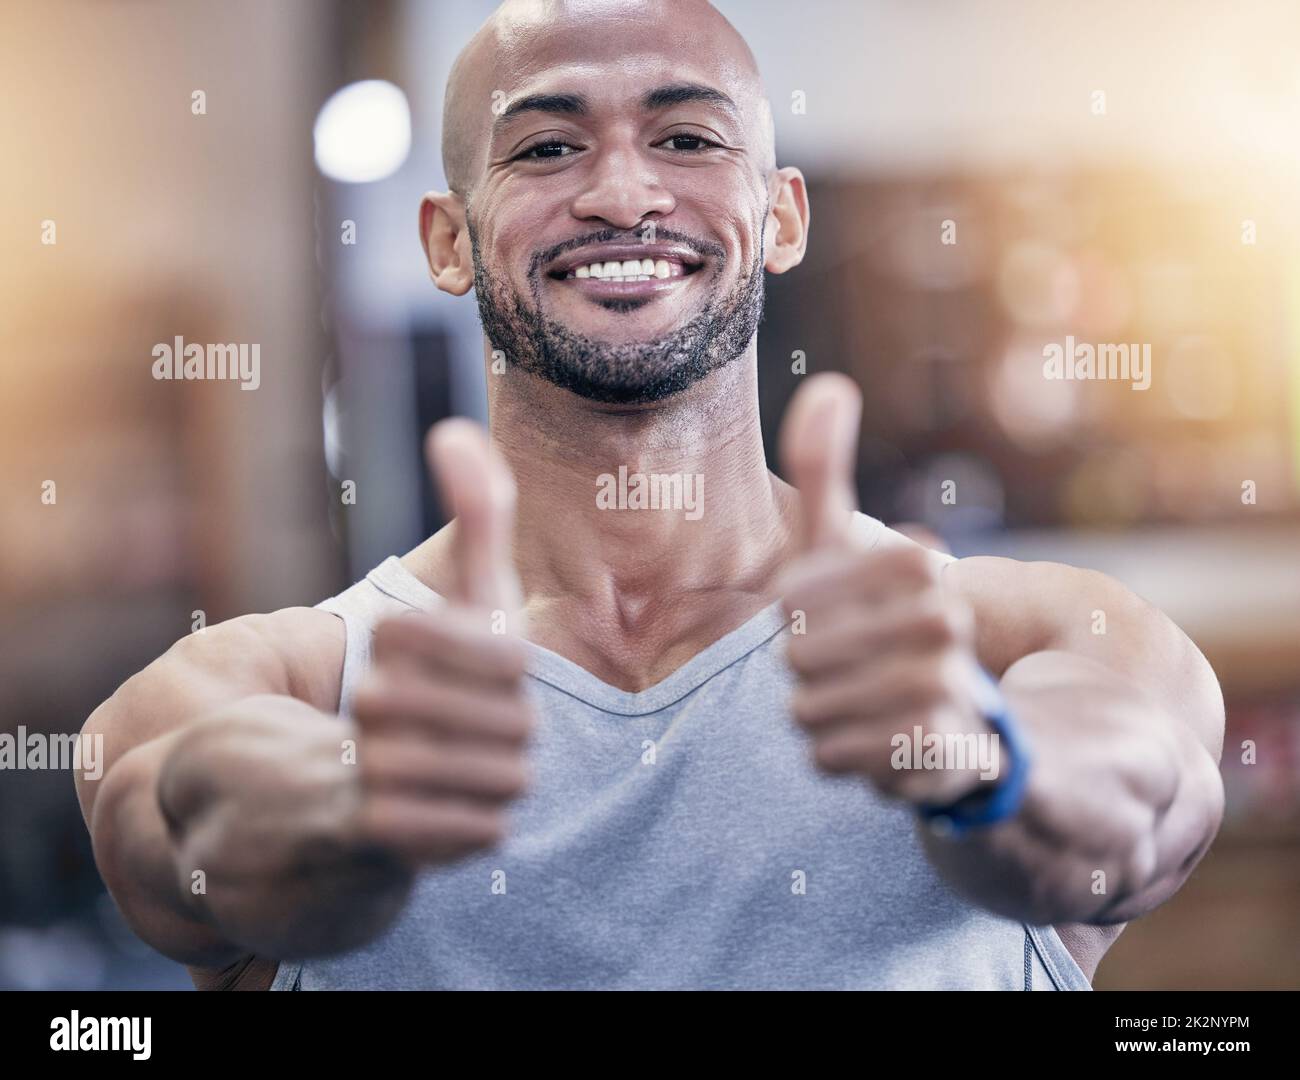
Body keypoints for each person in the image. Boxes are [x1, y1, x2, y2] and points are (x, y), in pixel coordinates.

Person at [77, 0, 1225, 990]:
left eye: (684, 138)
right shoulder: (289, 678)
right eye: (543, 150)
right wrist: (352, 805)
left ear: (781, 218)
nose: (623, 194)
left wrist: (980, 763)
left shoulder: (1012, 639)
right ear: (448, 241)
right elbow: (169, 824)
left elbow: (1146, 809)